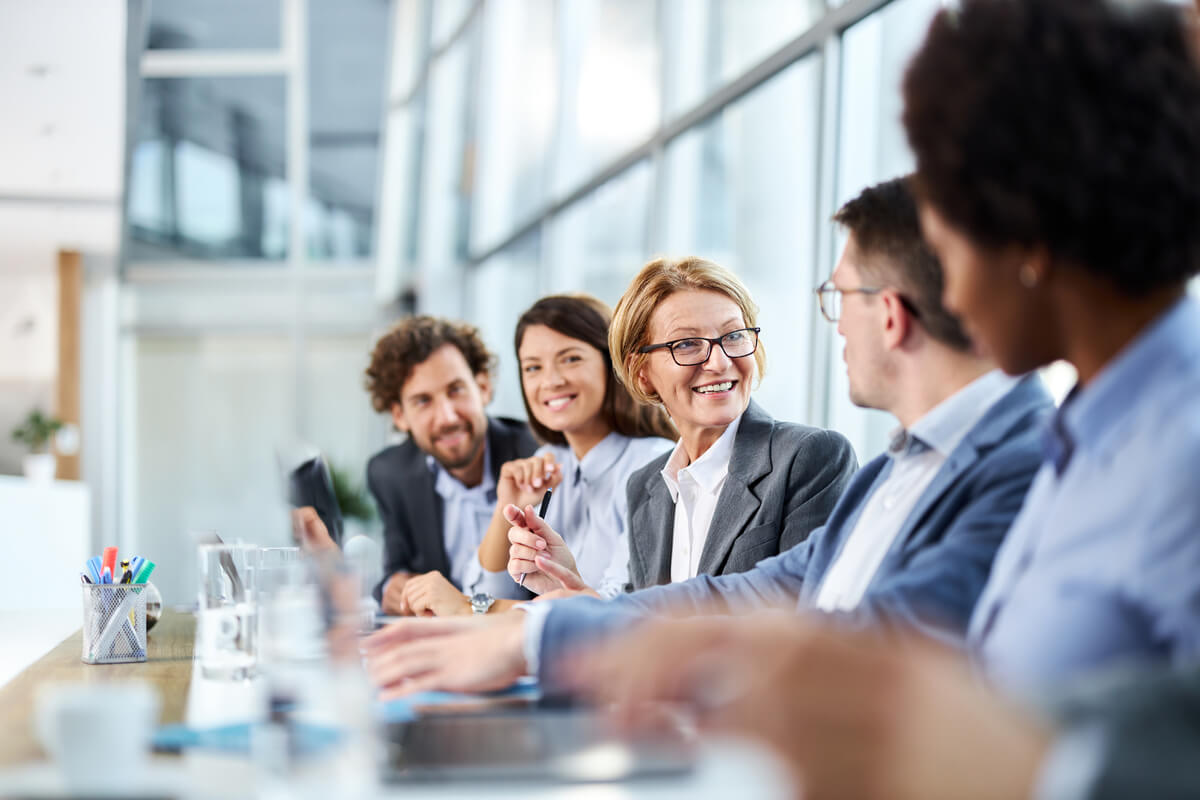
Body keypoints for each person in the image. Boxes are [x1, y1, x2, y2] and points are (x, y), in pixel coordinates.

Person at [362, 179, 1051, 697]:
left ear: (892, 315)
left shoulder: (1021, 463)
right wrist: (558, 620)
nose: (835, 326)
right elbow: (746, 593)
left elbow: (858, 644)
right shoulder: (888, 474)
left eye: (840, 300)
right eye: (689, 345)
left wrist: (533, 633)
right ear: (644, 370)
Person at [902, 0, 1200, 694]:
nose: (950, 300)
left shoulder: (1182, 458)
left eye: (947, 258)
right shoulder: (1085, 435)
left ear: (1026, 237)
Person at [398, 294, 678, 616]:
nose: (551, 381)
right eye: (533, 367)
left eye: (571, 359)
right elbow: (486, 591)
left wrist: (468, 609)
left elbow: (613, 611)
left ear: (612, 362)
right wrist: (507, 507)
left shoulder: (652, 466)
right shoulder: (551, 462)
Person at [359, 316, 539, 616]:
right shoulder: (390, 473)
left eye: (456, 390)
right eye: (422, 401)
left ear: (483, 387)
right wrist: (395, 586)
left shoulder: (537, 454)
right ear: (399, 415)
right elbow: (396, 569)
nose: (447, 417)